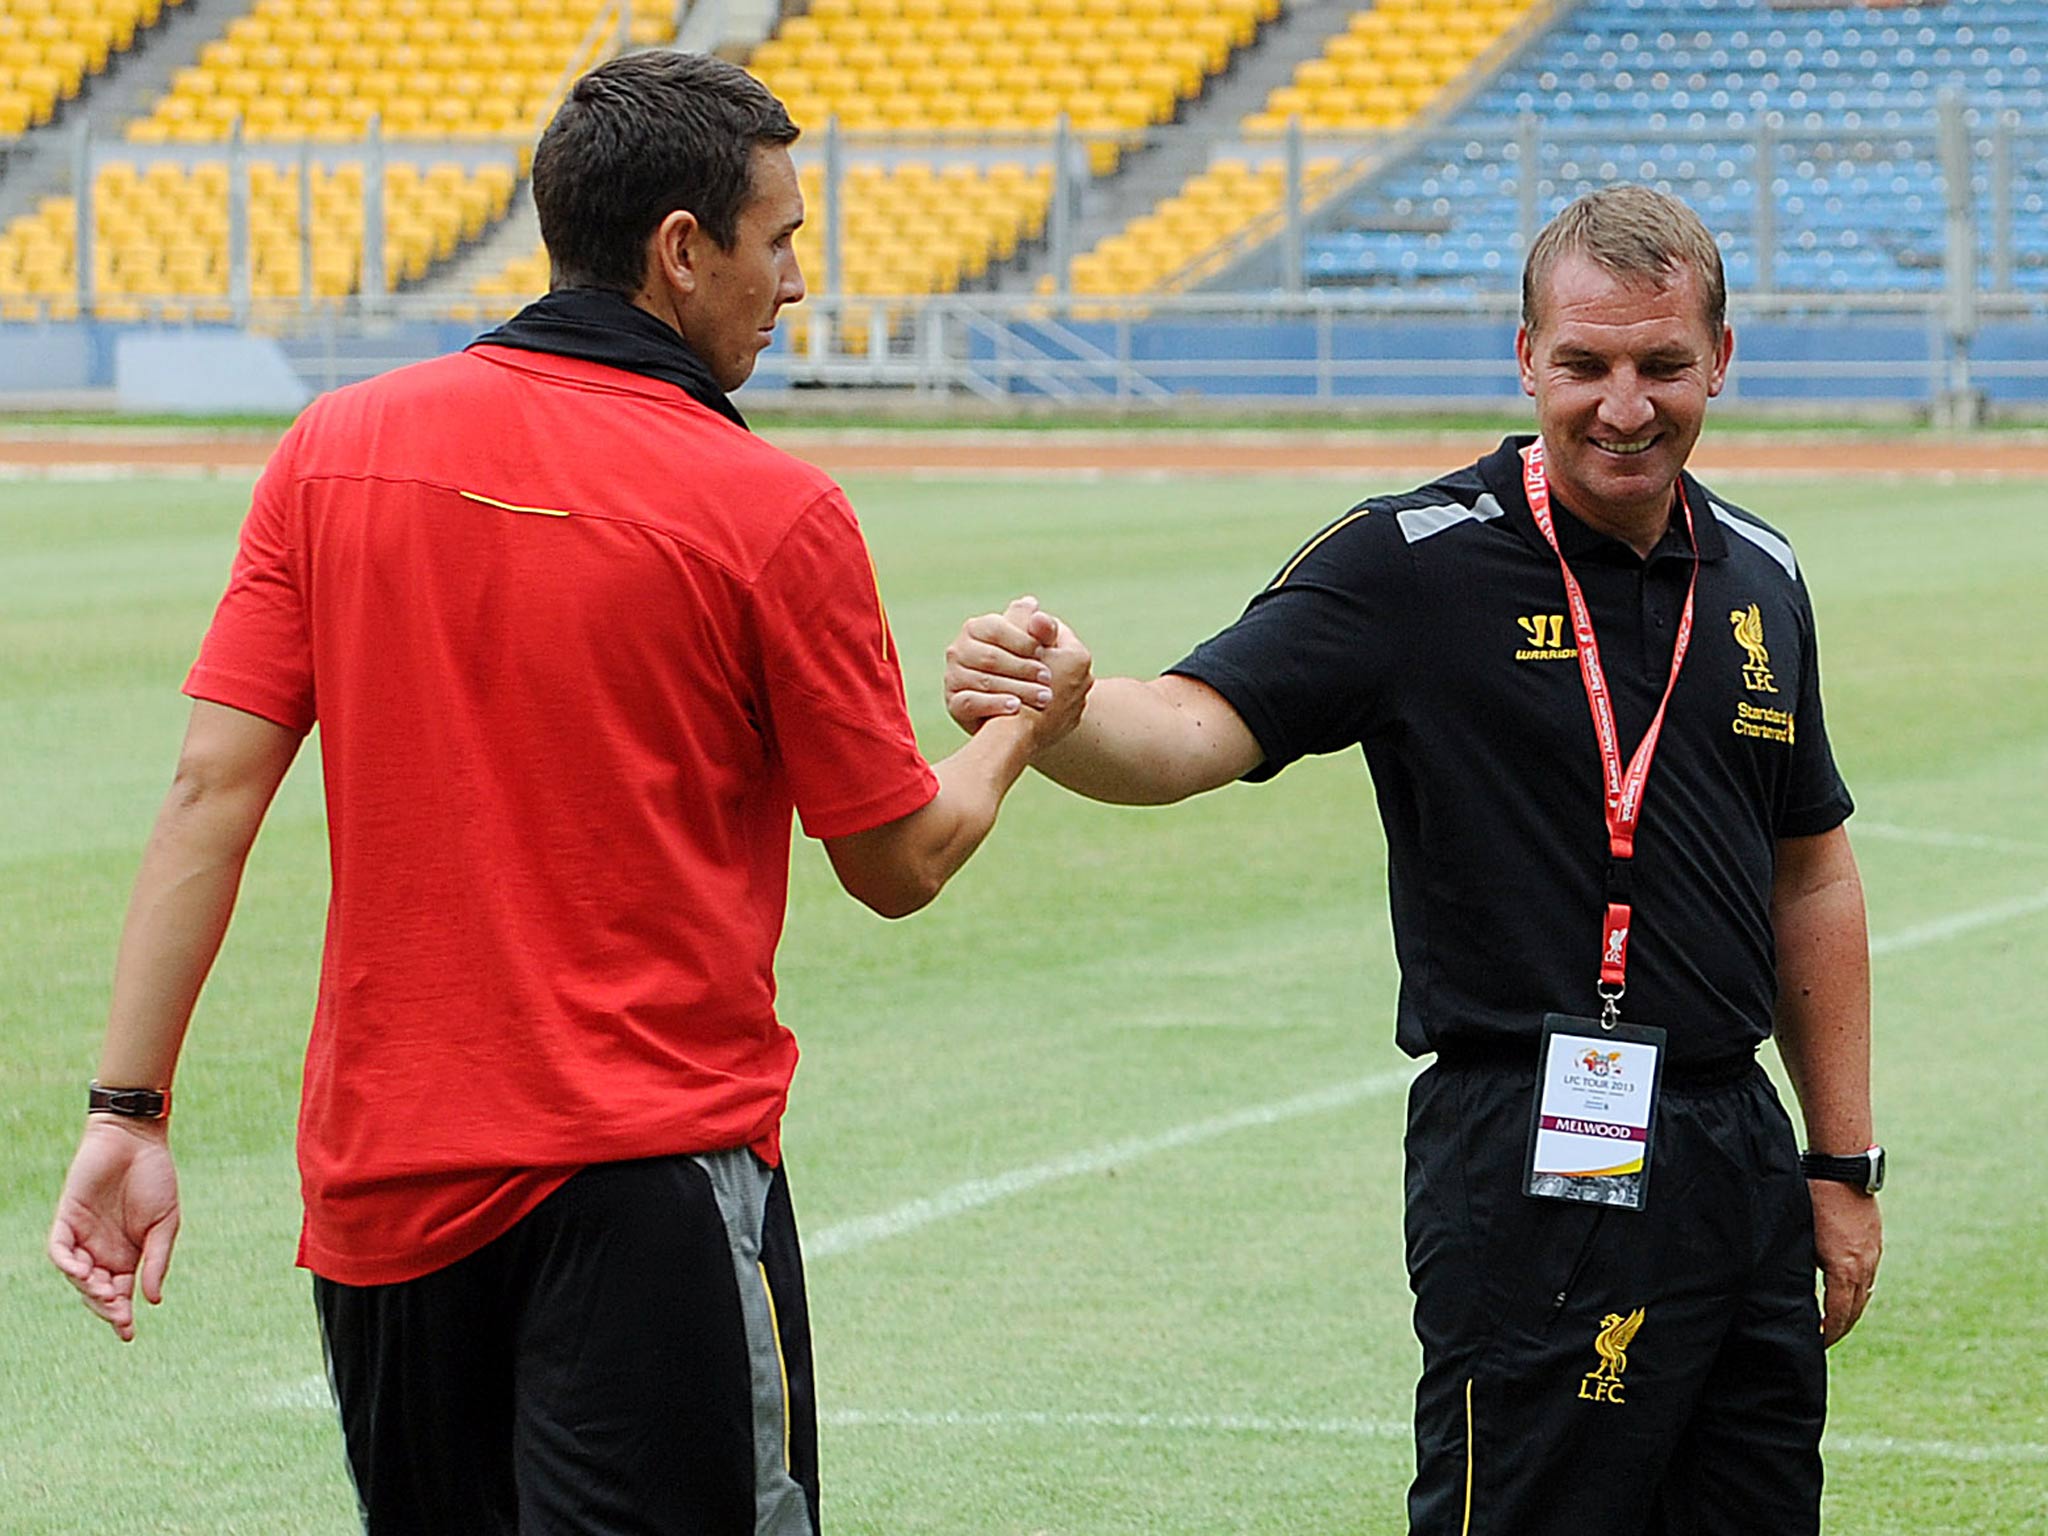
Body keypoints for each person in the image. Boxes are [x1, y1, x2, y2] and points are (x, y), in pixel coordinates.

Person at [47, 50, 1088, 1536]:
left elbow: (208, 792)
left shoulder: (331, 451)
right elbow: (896, 858)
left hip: (380, 1193)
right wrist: (1018, 725)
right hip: (643, 1186)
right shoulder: (770, 510)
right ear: (682, 249)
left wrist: (127, 1113)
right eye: (780, 239)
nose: (795, 280)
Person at [944, 184, 1881, 1535]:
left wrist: (1841, 1165)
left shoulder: (1760, 575)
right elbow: (1192, 729)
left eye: (1662, 364)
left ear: (1719, 361)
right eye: (1586, 365)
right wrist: (1069, 707)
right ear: (1524, 361)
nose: (1626, 405)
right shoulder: (1413, 562)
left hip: (1735, 1136)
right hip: (1537, 1132)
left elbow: (1815, 873)